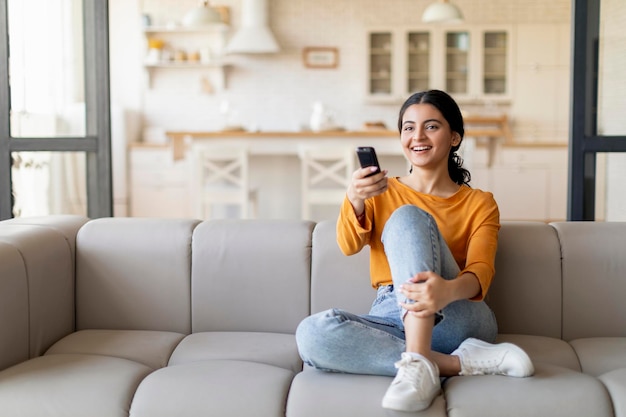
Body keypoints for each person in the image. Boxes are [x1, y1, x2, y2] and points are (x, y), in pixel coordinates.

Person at [295, 90, 534, 412]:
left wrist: (446, 291)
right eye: (408, 128)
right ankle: (451, 363)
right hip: (393, 315)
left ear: (454, 137)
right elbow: (348, 246)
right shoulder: (379, 191)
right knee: (312, 334)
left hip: (457, 312)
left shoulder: (479, 202)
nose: (417, 136)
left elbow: (481, 272)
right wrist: (354, 198)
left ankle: (419, 363)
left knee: (408, 216)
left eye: (431, 126)